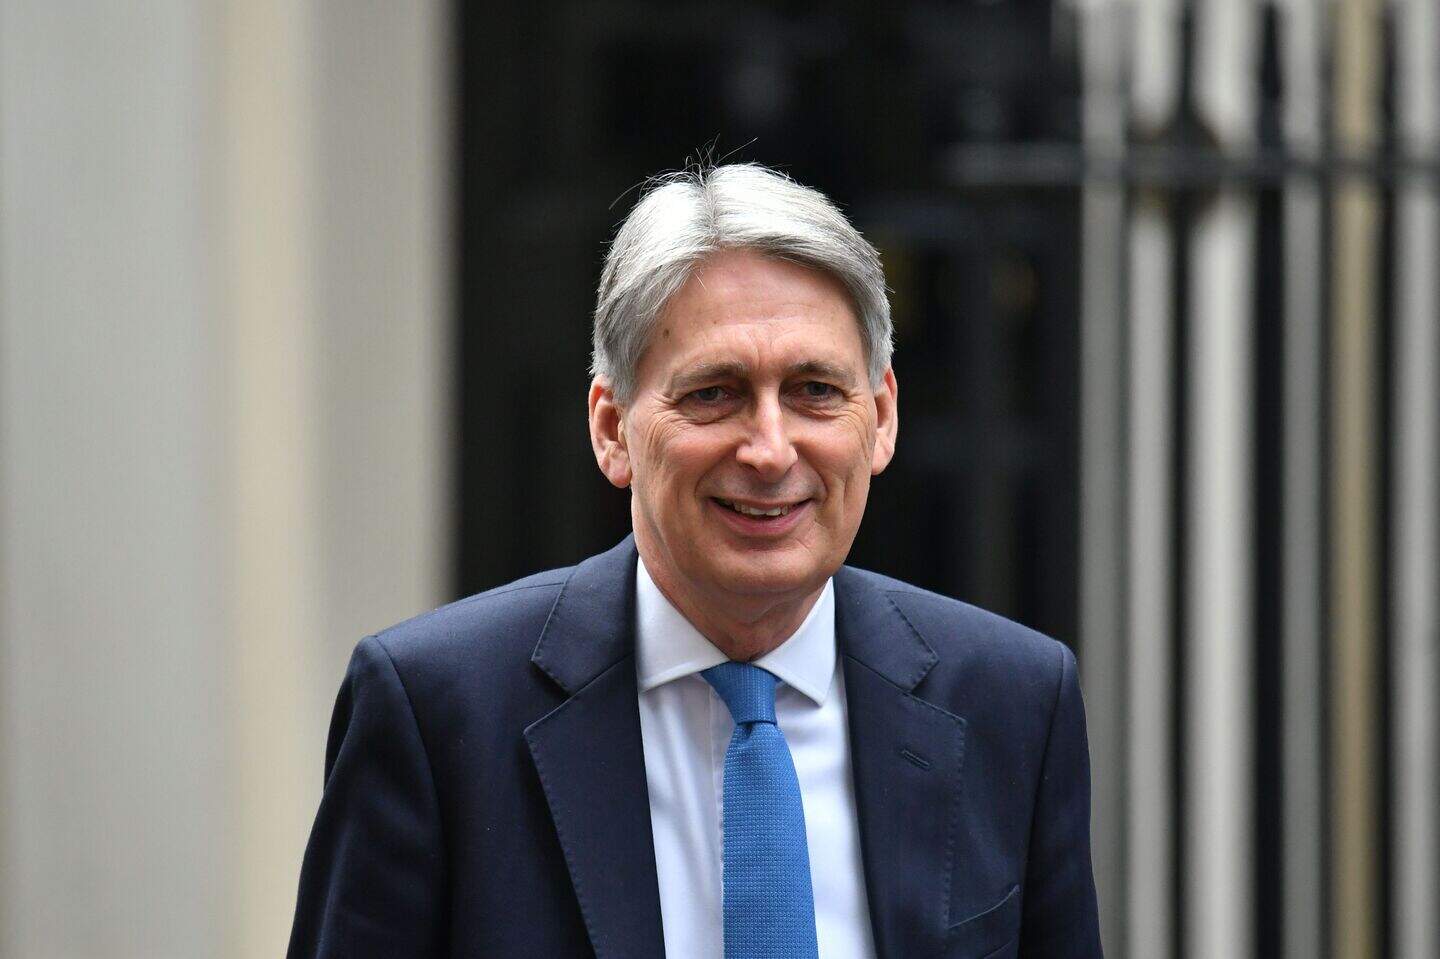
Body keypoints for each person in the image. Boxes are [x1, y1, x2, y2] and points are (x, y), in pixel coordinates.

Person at [287, 163, 1102, 959]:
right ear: (612, 429)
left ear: (882, 417)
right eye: (714, 392)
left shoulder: (1014, 704)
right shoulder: (437, 714)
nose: (770, 450)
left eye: (815, 390)